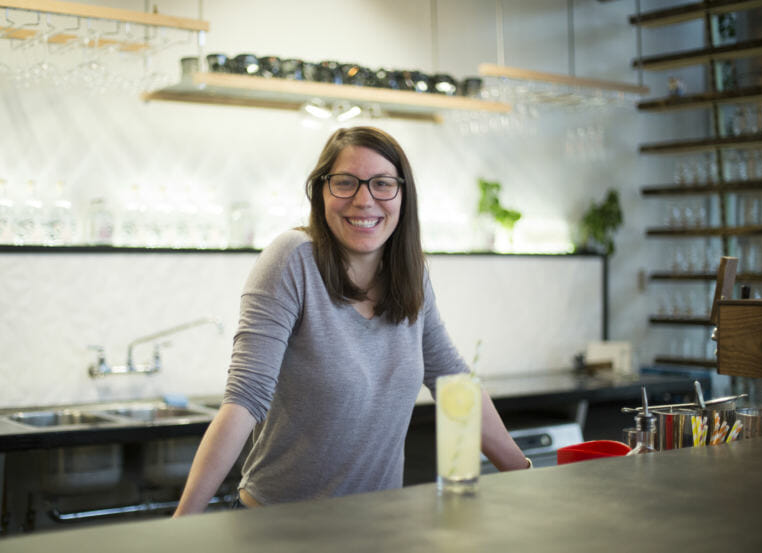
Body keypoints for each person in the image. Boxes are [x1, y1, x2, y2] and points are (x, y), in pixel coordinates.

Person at [173, 126, 529, 515]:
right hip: (280, 527)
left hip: (378, 525)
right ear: (321, 192)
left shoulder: (411, 274)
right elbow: (244, 399)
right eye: (345, 183)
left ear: (403, 195)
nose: (364, 200)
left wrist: (527, 477)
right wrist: (181, 525)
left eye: (381, 184)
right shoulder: (292, 260)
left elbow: (453, 382)